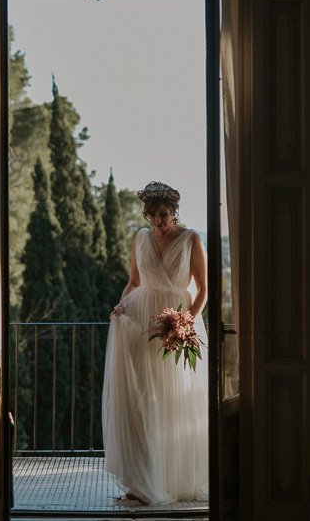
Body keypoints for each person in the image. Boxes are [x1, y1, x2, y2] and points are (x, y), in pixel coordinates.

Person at [102, 181, 210, 505]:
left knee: (172, 403)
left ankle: (170, 480)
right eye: (152, 216)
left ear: (174, 211)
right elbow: (134, 282)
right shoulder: (140, 238)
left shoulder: (191, 239)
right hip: (140, 322)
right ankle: (140, 481)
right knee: (140, 401)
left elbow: (203, 289)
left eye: (163, 215)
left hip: (175, 322)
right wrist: (121, 306)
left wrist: (184, 323)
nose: (158, 222)